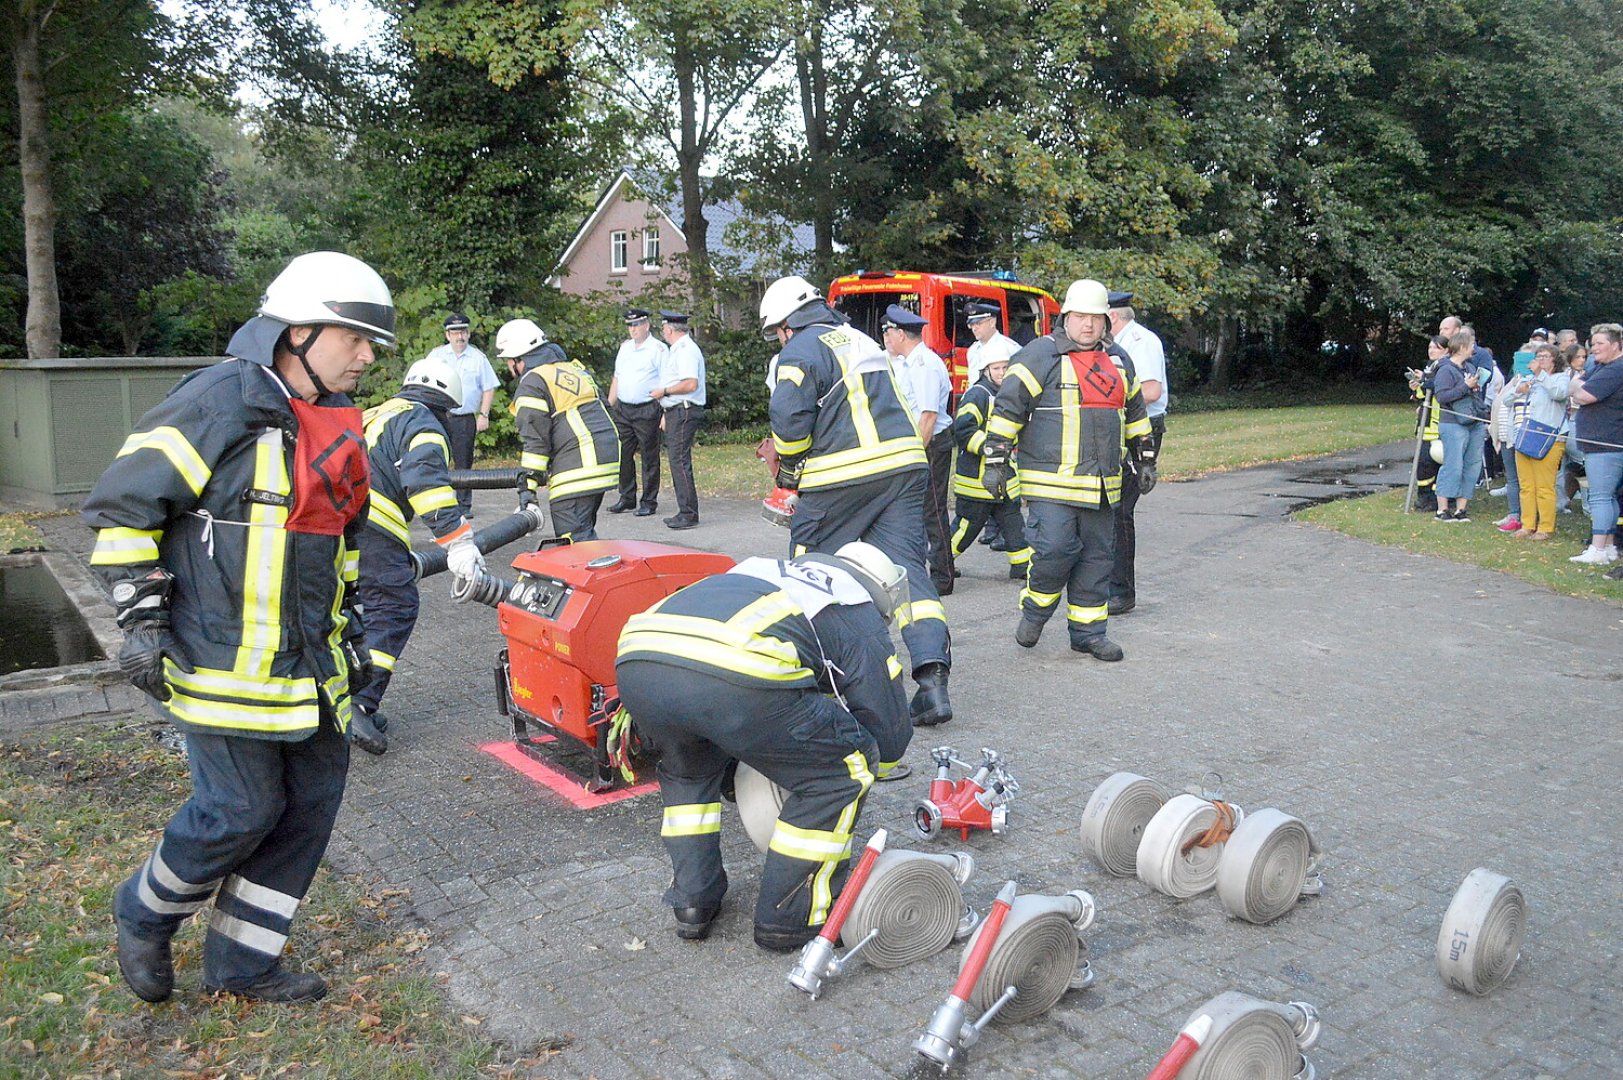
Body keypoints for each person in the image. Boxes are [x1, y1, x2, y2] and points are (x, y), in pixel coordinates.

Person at [82, 251, 394, 1004]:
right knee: (240, 810)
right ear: (296, 334)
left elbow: (337, 545)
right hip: (222, 663)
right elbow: (123, 507)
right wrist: (141, 617)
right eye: (353, 338)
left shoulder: (333, 422)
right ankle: (144, 911)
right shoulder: (219, 399)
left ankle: (244, 965)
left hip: (312, 669)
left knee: (307, 815)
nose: (367, 355)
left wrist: (349, 632)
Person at [615, 543, 912, 950]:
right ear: (878, 589)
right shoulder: (851, 601)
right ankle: (792, 918)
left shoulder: (766, 571)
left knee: (689, 769)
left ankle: (692, 901)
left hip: (638, 660)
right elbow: (888, 727)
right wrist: (868, 760)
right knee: (845, 768)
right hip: (733, 670)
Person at [762, 275, 953, 725]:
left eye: (776, 331)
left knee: (809, 571)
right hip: (905, 467)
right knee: (906, 571)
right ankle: (932, 682)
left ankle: (819, 684)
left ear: (786, 325)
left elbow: (789, 423)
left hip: (843, 475)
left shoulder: (799, 350)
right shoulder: (861, 339)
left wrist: (789, 477)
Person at [981, 278, 1153, 661]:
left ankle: (1089, 633)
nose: (1088, 325)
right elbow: (1008, 410)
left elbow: (1136, 414)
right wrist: (995, 463)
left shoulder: (1120, 360)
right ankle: (1036, 611)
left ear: (1106, 320)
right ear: (1065, 317)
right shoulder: (1038, 355)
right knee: (1054, 550)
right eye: (1079, 317)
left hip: (1103, 485)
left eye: (1095, 318)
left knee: (1097, 560)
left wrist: (1145, 458)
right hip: (1051, 484)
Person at [349, 355, 486, 754]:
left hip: (334, 525)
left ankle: (336, 699)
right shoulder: (422, 421)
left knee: (344, 609)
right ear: (446, 404)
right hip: (373, 526)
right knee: (393, 606)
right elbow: (425, 482)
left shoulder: (377, 412)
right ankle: (359, 701)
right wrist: (457, 542)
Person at [498, 318, 621, 542]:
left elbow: (535, 440)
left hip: (577, 469)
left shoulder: (533, 382)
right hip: (605, 460)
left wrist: (528, 488)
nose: (509, 367)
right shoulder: (574, 369)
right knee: (584, 535)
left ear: (519, 360)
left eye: (508, 361)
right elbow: (607, 408)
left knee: (572, 545)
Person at [881, 304, 956, 594]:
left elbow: (928, 417)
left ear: (901, 333)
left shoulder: (923, 364)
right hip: (921, 444)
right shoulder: (908, 363)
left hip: (931, 445)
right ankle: (932, 568)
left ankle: (943, 577)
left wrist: (916, 455)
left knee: (933, 512)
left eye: (890, 332)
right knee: (921, 512)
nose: (887, 337)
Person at [1106, 291, 1167, 615]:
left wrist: (1108, 394)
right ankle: (1110, 584)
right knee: (1112, 509)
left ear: (1112, 317)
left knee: (1119, 511)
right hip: (1125, 427)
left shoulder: (1139, 341)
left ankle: (1121, 592)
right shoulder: (1115, 345)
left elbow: (1152, 390)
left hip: (1142, 429)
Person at [948, 349, 1033, 579]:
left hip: (1004, 478)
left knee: (1014, 525)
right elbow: (963, 429)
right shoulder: (978, 394)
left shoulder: (1008, 393)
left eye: (1006, 367)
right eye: (996, 368)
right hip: (977, 480)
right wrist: (990, 447)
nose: (1002, 372)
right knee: (967, 527)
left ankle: (1022, 567)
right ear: (985, 370)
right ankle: (942, 562)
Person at [426, 313, 498, 519]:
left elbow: (489, 388)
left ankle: (463, 506)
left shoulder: (478, 358)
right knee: (435, 459)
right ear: (447, 335)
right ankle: (437, 503)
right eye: (455, 332)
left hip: (464, 418)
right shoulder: (436, 357)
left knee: (463, 463)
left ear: (468, 334)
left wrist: (484, 414)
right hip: (439, 415)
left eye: (463, 332)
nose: (460, 337)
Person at [1568, 323, 1623, 565]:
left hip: (1606, 443)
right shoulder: (1602, 367)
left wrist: (1578, 387)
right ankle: (1609, 546)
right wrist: (1578, 386)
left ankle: (1598, 548)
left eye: (1601, 343)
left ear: (1616, 345)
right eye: (1593, 343)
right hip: (1600, 442)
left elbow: (1582, 395)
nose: (1594, 348)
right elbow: (1576, 385)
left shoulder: (1616, 369)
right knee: (1607, 497)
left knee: (1599, 497)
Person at [608, 308, 667, 517]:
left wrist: (665, 412)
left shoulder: (658, 349)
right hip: (624, 409)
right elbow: (617, 378)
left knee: (649, 457)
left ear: (647, 325)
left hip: (647, 409)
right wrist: (608, 405)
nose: (633, 329)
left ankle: (649, 501)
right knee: (623, 455)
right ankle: (627, 497)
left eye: (636, 325)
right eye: (630, 325)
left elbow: (667, 381)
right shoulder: (625, 348)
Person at [1508, 343, 1570, 540]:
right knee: (1526, 484)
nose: (1540, 360)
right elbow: (1508, 400)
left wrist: (1541, 376)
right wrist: (1519, 388)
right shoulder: (1531, 379)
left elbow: (1558, 394)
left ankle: (1545, 527)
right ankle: (1527, 524)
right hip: (1526, 434)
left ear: (1555, 360)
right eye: (1538, 356)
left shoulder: (1561, 378)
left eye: (1545, 356)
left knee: (1544, 485)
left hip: (1550, 437)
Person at [653, 310, 707, 530]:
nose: (663, 332)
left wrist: (664, 391)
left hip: (683, 410)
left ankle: (688, 513)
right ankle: (686, 510)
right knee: (678, 460)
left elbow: (690, 384)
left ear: (669, 329)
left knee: (679, 461)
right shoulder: (681, 349)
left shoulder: (685, 350)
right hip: (677, 410)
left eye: (664, 328)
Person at [1432, 331, 1488, 521]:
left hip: (1474, 421)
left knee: (1472, 465)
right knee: (1453, 465)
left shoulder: (1470, 366)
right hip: (1453, 423)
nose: (1474, 348)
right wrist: (1465, 386)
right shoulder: (1445, 370)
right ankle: (1442, 509)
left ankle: (1461, 509)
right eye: (1472, 344)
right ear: (1463, 347)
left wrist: (1474, 388)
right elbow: (1442, 397)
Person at [1407, 335, 1450, 513]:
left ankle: (1435, 499)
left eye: (1436, 348)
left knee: (1436, 462)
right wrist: (1417, 388)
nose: (1431, 350)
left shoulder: (1446, 368)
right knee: (1423, 464)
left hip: (1439, 424)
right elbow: (1425, 396)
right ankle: (1424, 497)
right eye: (1430, 347)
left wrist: (1424, 380)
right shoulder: (1431, 367)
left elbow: (1438, 390)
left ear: (1446, 350)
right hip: (1426, 425)